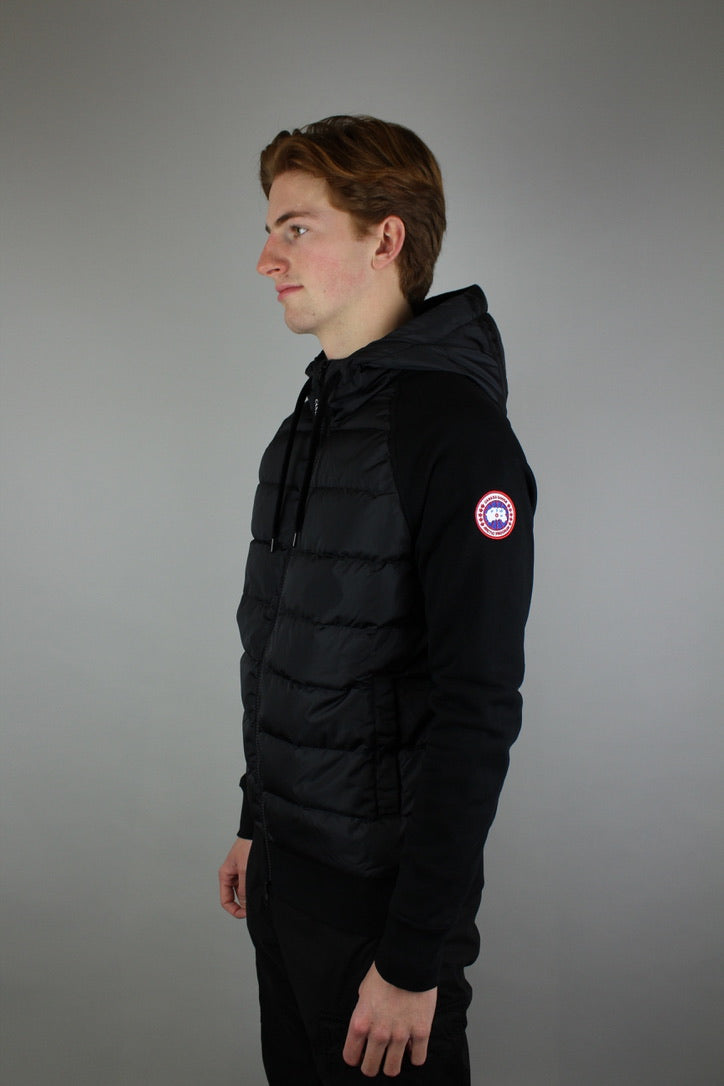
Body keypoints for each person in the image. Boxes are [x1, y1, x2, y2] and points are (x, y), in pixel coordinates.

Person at [218, 115, 536, 1084]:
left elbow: (477, 708)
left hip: (381, 910)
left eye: (296, 228)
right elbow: (289, 649)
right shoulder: (307, 426)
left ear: (384, 238)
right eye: (269, 231)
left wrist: (412, 956)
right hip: (290, 875)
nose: (267, 259)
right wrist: (257, 819)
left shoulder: (455, 438)